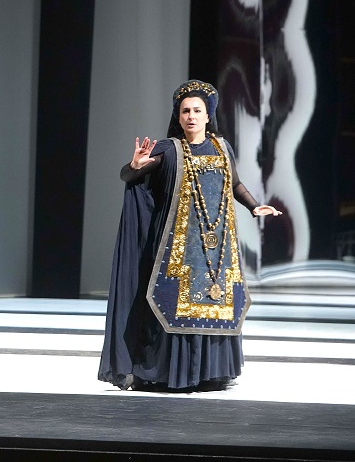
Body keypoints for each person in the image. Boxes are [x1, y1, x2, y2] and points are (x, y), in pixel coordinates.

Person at [97, 80, 282, 391]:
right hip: (176, 246)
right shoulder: (168, 149)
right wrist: (134, 165)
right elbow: (128, 175)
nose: (191, 116)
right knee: (172, 304)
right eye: (185, 111)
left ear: (208, 115)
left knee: (213, 303)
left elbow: (235, 183)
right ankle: (169, 372)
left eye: (197, 110)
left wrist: (254, 206)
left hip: (214, 247)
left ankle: (210, 372)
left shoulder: (222, 148)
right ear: (178, 116)